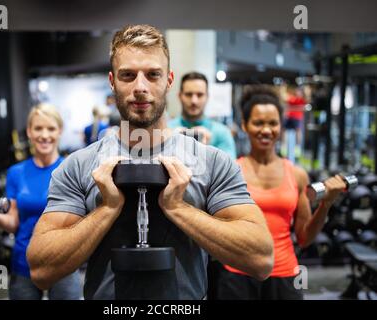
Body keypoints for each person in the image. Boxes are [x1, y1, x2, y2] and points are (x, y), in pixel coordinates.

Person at [26, 24, 274, 300]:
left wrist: (178, 208)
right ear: (112, 81)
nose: (140, 87)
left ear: (168, 80)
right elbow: (41, 270)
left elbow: (261, 259)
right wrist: (107, 209)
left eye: (152, 75)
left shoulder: (213, 162)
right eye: (128, 75)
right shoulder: (78, 166)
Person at [212, 85, 347, 300]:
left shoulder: (297, 174)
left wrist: (326, 204)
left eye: (272, 123)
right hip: (237, 274)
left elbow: (304, 238)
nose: (266, 130)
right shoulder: (231, 171)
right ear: (245, 126)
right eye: (258, 123)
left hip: (284, 273)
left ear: (281, 126)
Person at [0, 103, 82, 300]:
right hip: (24, 262)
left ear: (60, 131)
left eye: (51, 128)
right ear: (29, 132)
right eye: (38, 128)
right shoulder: (16, 173)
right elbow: (13, 224)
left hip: (63, 262)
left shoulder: (71, 170)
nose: (44, 135)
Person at [168, 72, 237, 159]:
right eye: (188, 94)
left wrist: (206, 151)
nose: (194, 101)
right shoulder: (167, 130)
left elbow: (229, 170)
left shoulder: (222, 133)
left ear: (207, 97)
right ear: (180, 96)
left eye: (200, 95)